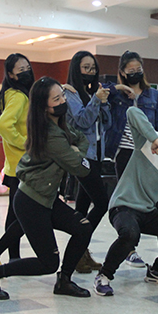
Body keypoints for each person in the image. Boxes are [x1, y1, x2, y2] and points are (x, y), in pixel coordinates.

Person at [0, 77, 93, 300]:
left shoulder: (59, 126)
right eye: (56, 99)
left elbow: (82, 139)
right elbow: (79, 167)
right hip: (32, 202)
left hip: (47, 198)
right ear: (43, 106)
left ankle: (64, 281)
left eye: (62, 96)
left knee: (83, 229)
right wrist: (77, 154)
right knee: (48, 262)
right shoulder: (51, 134)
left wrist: (76, 151)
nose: (62, 101)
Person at [93, 105, 158, 296]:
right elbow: (132, 112)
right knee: (130, 234)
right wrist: (153, 139)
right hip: (123, 206)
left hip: (147, 212)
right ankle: (104, 275)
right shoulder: (149, 141)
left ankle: (157, 270)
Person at [104, 50, 158, 267]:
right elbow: (100, 92)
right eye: (130, 70)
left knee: (157, 200)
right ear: (122, 72)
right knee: (127, 201)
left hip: (149, 153)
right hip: (124, 152)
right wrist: (119, 88)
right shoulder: (117, 96)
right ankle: (130, 250)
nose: (135, 73)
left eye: (138, 69)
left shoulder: (154, 95)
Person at [65, 50, 112, 273]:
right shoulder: (70, 93)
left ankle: (80, 254)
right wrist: (96, 100)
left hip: (97, 155)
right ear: (76, 69)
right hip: (82, 156)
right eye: (86, 68)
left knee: (82, 208)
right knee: (102, 203)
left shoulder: (91, 92)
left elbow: (106, 123)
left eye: (93, 68)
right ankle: (79, 246)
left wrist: (104, 102)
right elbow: (83, 121)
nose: (90, 72)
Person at [0, 53, 34, 263]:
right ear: (11, 75)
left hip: (15, 165)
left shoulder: (14, 94)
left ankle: (13, 256)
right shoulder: (18, 96)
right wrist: (26, 143)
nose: (26, 72)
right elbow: (4, 126)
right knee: (22, 215)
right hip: (22, 165)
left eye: (28, 68)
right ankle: (3, 254)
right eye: (21, 70)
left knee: (14, 214)